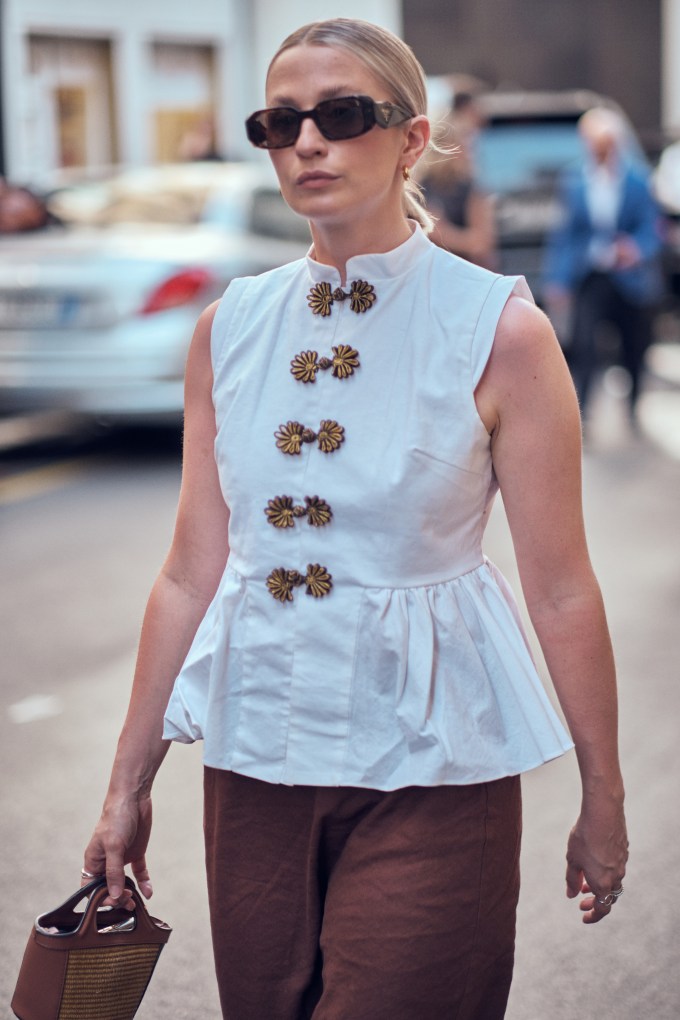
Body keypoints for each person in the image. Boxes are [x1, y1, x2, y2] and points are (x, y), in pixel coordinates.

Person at [82, 18, 628, 1020]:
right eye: (278, 121)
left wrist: (602, 794)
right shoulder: (228, 328)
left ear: (410, 140)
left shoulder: (498, 330)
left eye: (340, 115)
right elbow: (191, 573)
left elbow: (558, 586)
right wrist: (127, 785)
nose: (307, 142)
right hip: (255, 762)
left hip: (430, 764)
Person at [544, 107, 663, 422]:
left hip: (628, 274)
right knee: (584, 342)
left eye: (605, 143)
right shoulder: (575, 180)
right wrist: (558, 279)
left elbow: (652, 226)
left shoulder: (637, 179)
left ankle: (633, 406)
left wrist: (636, 248)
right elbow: (566, 233)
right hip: (591, 272)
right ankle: (583, 412)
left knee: (634, 344)